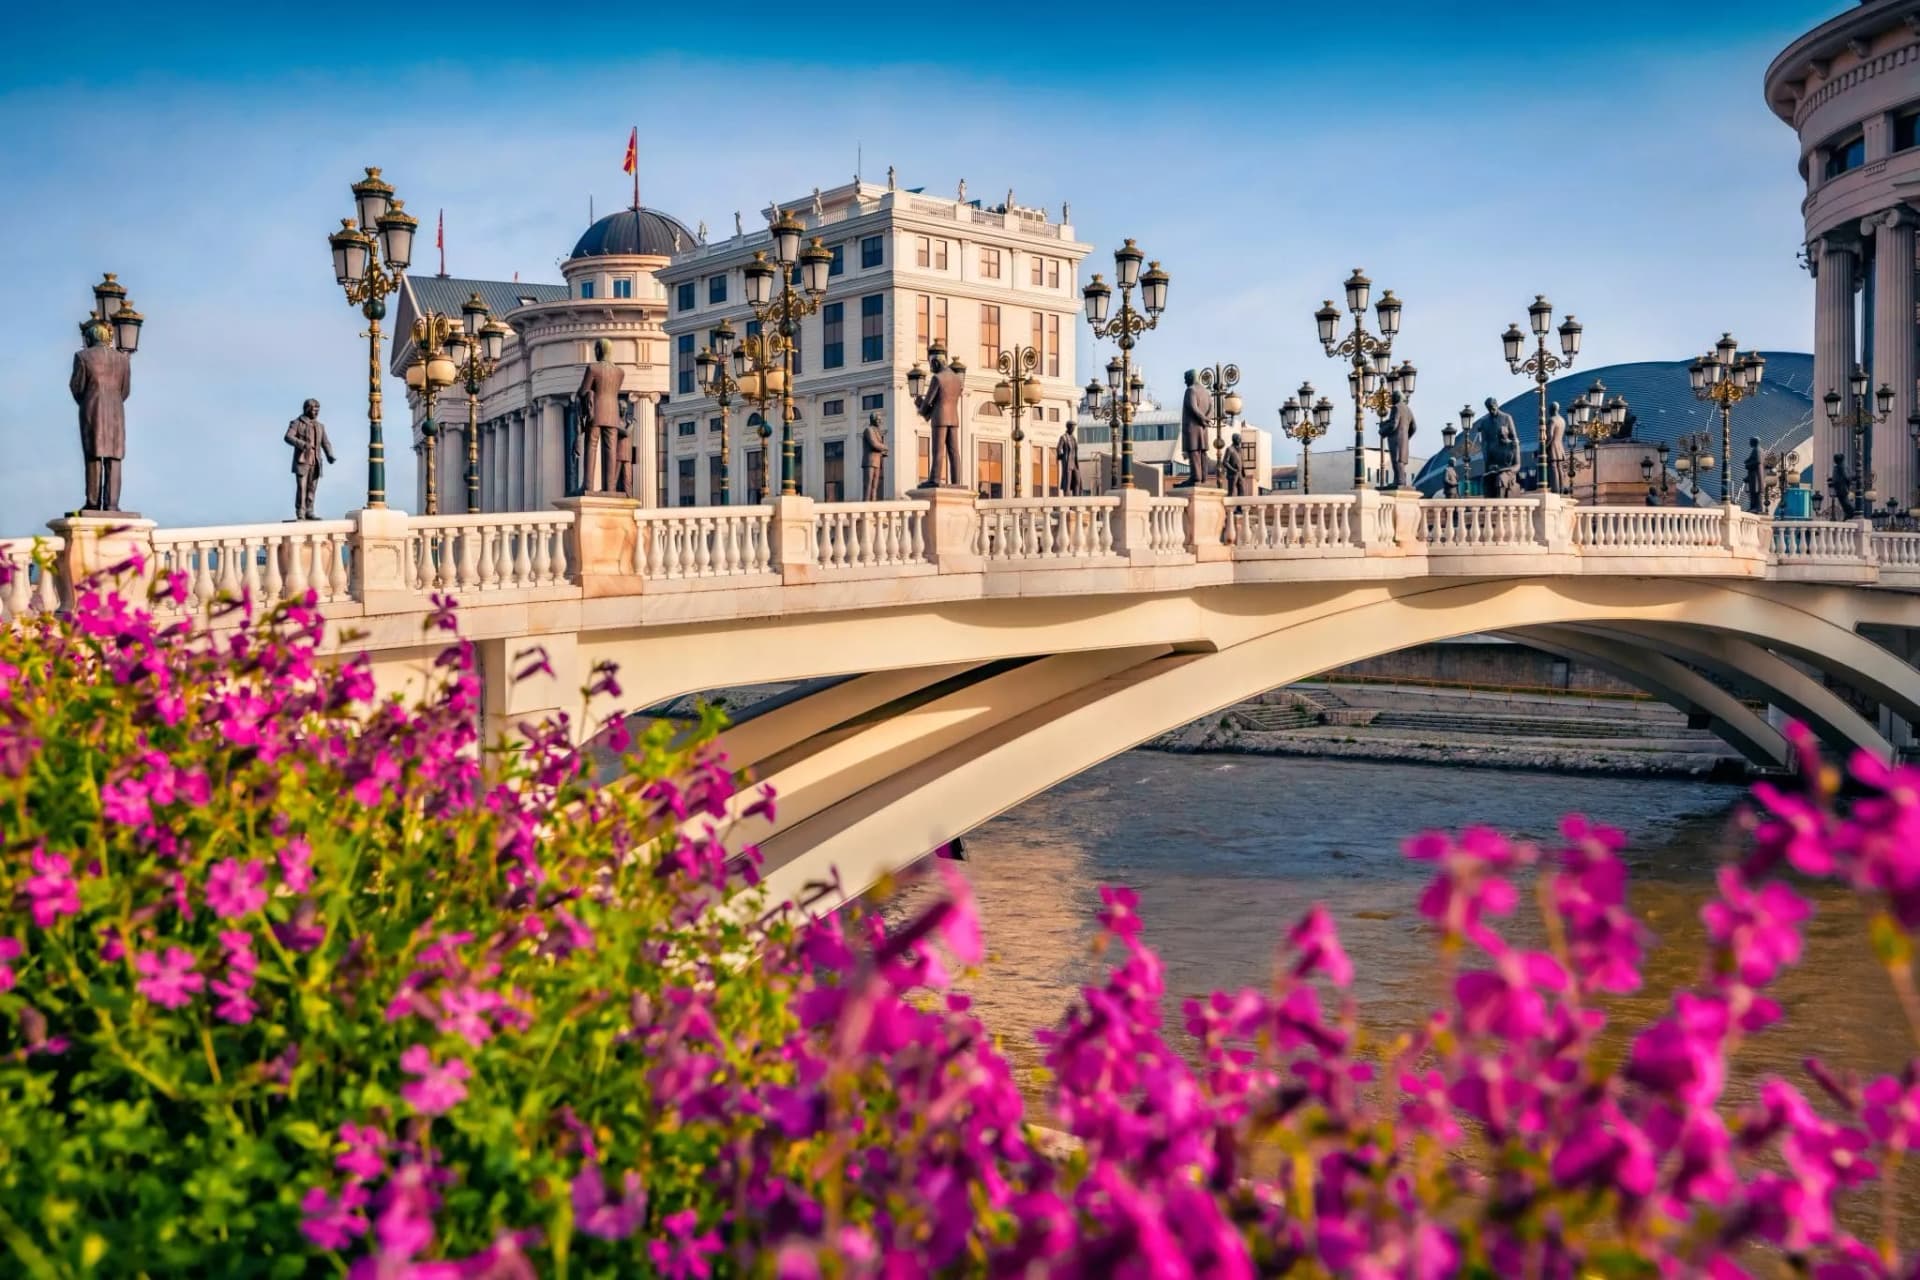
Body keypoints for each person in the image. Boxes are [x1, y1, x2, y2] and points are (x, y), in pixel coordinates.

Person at [70, 319, 131, 512]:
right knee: (114, 457)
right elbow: (125, 390)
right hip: (116, 412)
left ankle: (93, 503)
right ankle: (112, 504)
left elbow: (77, 387)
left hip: (92, 409)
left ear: (89, 337)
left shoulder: (82, 356)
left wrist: (88, 399)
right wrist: (113, 400)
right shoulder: (122, 359)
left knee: (93, 456)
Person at [575, 339, 625, 494]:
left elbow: (583, 391)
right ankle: (610, 488)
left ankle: (588, 486)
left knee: (591, 446)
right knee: (611, 450)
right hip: (612, 414)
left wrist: (582, 395)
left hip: (596, 412)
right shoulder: (619, 372)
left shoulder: (593, 368)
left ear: (599, 350)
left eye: (596, 349)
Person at [914, 350, 964, 487]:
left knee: (938, 450)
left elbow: (929, 400)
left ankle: (935, 478)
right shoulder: (957, 379)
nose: (931, 368)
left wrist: (920, 406)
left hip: (940, 417)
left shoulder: (938, 378)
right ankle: (956, 482)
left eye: (931, 365)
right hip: (954, 418)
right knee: (954, 451)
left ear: (936, 362)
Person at [284, 399, 336, 520]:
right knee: (302, 488)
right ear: (307, 409)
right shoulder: (297, 423)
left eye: (318, 410)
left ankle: (309, 510)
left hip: (316, 461)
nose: (316, 412)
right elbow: (288, 437)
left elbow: (325, 442)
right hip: (302, 460)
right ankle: (300, 511)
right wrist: (302, 444)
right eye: (314, 410)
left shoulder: (320, 426)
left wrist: (330, 455)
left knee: (312, 488)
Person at [1179, 370, 1211, 486]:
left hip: (1193, 427)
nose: (1185, 381)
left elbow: (1193, 407)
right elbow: (1211, 408)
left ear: (1191, 377)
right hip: (1203, 428)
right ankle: (1203, 478)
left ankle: (1196, 477)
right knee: (1202, 452)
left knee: (1194, 452)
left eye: (1186, 378)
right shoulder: (1206, 392)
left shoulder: (1190, 390)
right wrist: (1206, 419)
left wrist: (1202, 418)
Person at [1382, 391, 1416, 490]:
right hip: (1404, 439)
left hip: (1396, 438)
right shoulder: (1408, 409)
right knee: (1401, 461)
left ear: (1396, 397)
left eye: (1392, 397)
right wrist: (1407, 437)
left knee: (1396, 460)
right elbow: (1414, 427)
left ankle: (1399, 481)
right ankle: (1399, 481)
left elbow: (1394, 424)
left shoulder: (1396, 407)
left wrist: (1383, 431)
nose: (1391, 399)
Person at [861, 413, 889, 501]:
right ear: (873, 420)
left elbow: (879, 445)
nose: (880, 421)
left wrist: (883, 450)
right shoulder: (868, 430)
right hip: (869, 461)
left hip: (877, 461)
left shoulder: (877, 431)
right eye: (878, 419)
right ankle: (866, 504)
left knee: (875, 485)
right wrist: (885, 447)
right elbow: (874, 444)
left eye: (880, 419)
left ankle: (873, 503)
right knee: (868, 485)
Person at [1545, 402, 1570, 495]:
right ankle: (1562, 489)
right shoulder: (1562, 420)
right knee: (1559, 468)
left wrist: (1544, 448)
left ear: (1551, 409)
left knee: (1553, 468)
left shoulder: (1551, 420)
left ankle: (1555, 490)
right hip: (1560, 447)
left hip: (1552, 447)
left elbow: (1550, 436)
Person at [1057, 421, 1080, 496]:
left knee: (1077, 481)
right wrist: (1062, 457)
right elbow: (1058, 448)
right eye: (1072, 427)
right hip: (1068, 462)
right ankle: (1067, 500)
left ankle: (1076, 500)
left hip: (1074, 463)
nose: (1073, 428)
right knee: (1067, 482)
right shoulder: (1063, 437)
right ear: (1069, 427)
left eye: (1074, 427)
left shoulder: (1073, 438)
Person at [1744, 437, 1766, 514]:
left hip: (1756, 475)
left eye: (1750, 441)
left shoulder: (1757, 450)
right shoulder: (1758, 450)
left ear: (1754, 442)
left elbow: (1758, 461)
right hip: (1755, 474)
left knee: (1756, 491)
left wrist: (1748, 464)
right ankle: (1754, 507)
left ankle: (1758, 508)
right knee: (1754, 491)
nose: (1749, 443)